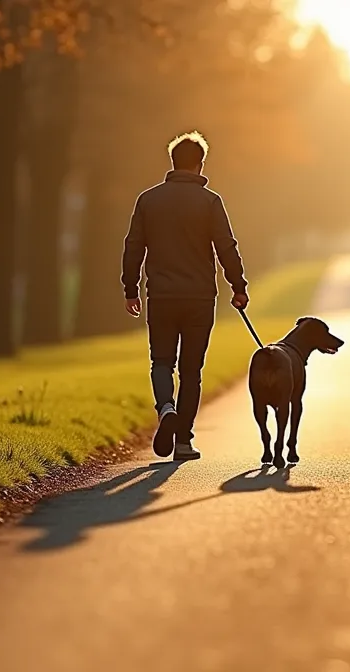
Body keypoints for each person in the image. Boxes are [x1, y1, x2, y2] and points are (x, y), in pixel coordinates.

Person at [122, 131, 250, 461]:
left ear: (173, 162)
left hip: (161, 297)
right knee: (192, 370)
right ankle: (183, 442)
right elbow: (226, 247)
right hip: (199, 298)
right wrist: (238, 286)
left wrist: (130, 288)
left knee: (161, 361)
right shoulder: (210, 202)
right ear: (200, 164)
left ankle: (166, 407)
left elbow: (134, 245)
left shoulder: (148, 200)